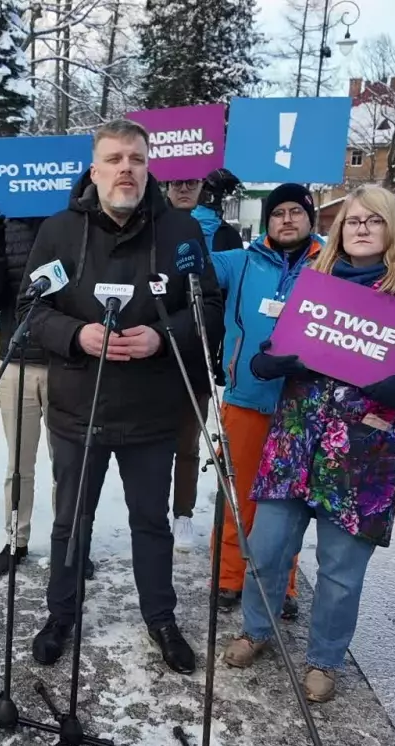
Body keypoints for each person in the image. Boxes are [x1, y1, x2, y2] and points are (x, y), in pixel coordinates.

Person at [225, 184, 395, 703]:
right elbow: (273, 348)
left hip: (361, 458)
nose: (359, 228)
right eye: (352, 220)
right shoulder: (316, 282)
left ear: (392, 228)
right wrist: (268, 361)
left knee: (340, 572)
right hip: (293, 447)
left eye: (373, 221)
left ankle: (325, 659)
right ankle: (255, 630)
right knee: (265, 550)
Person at [20, 118, 225, 675]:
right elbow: (30, 311)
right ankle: (61, 613)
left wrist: (164, 336)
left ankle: (161, 618)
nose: (125, 169)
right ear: (95, 170)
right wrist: (76, 336)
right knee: (71, 521)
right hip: (77, 410)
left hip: (152, 411)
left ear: (148, 167)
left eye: (135, 158)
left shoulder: (180, 231)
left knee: (151, 522)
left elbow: (206, 308)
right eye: (114, 159)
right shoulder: (59, 230)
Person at [206, 181, 317, 623]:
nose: (286, 219)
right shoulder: (242, 261)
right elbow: (198, 266)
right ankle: (230, 577)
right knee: (238, 497)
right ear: (267, 221)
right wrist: (199, 220)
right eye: (278, 213)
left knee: (287, 506)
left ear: (310, 218)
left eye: (295, 211)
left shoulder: (331, 265)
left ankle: (281, 584)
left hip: (302, 409)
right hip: (247, 399)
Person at [163, 168, 243, 549]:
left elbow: (229, 299)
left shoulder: (224, 235)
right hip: (157, 347)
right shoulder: (154, 225)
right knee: (151, 441)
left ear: (202, 187)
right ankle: (150, 509)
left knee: (188, 440)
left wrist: (223, 349)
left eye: (190, 181)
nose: (183, 187)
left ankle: (183, 513)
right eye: (177, 181)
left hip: (199, 352)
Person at [0, 205, 50, 576]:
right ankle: (15, 540)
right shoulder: (5, 225)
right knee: (18, 464)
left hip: (68, 363)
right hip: (18, 362)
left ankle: (73, 541)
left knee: (70, 467)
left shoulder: (74, 222)